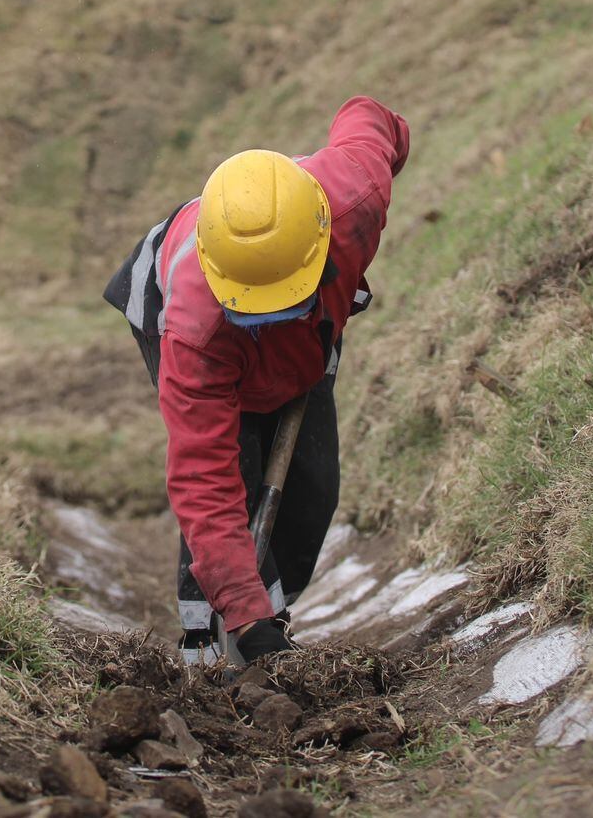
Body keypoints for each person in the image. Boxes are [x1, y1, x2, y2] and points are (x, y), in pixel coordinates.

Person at [104, 96, 410, 664]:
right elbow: (203, 480)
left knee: (311, 491)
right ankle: (218, 644)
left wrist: (400, 145)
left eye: (280, 305)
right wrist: (248, 615)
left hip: (310, 335)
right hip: (200, 329)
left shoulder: (355, 197)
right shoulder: (195, 334)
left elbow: (370, 117)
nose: (268, 321)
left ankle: (269, 616)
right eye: (257, 311)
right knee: (236, 487)